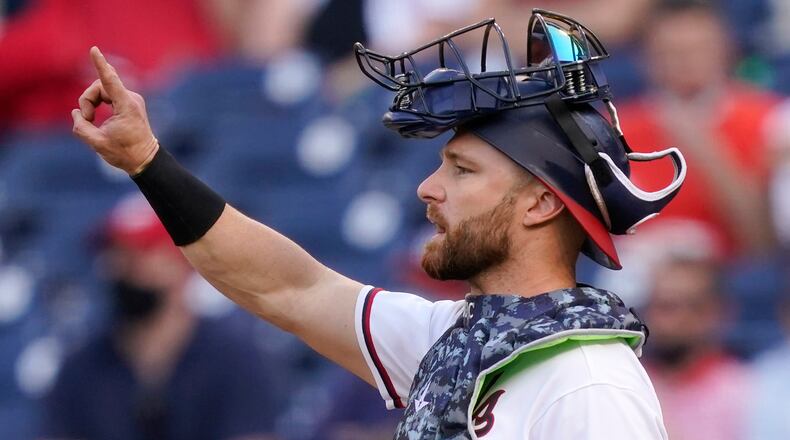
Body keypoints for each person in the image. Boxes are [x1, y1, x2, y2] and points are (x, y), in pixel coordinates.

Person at [70, 10, 680, 439]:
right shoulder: (462, 340)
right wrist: (148, 161)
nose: (427, 188)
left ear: (541, 204)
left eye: (462, 170)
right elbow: (289, 288)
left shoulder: (589, 386)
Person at [40, 194, 280, 440]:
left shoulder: (233, 359)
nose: (118, 268)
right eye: (114, 255)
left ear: (181, 262)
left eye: (137, 255)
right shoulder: (81, 368)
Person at [618, 0, 779, 255]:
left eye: (698, 50)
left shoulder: (770, 121)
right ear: (645, 58)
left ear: (726, 50)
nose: (685, 63)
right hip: (643, 270)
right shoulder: (615, 129)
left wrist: (701, 145)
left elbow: (762, 243)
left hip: (730, 269)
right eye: (671, 52)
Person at [641, 254, 750, 440]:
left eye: (669, 307)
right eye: (655, 304)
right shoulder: (633, 381)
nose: (657, 319)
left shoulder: (744, 391)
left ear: (711, 313)